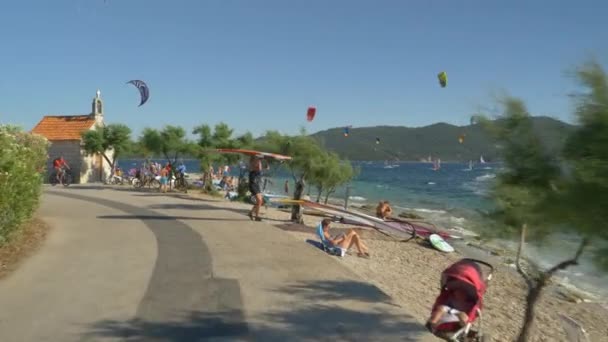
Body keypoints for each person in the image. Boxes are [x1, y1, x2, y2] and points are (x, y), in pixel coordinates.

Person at [248, 155, 269, 221]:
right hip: (252, 185)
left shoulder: (259, 170)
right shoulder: (253, 169)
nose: (260, 165)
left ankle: (251, 213)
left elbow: (267, 168)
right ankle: (256, 216)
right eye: (258, 162)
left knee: (260, 201)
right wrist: (260, 159)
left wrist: (266, 160)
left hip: (256, 186)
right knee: (259, 200)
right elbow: (255, 164)